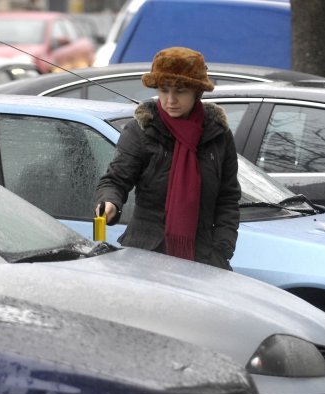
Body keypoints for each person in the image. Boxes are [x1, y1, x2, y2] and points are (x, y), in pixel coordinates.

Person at [92, 46, 240, 270]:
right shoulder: (141, 130)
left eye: (180, 91)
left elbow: (228, 198)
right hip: (145, 257)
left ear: (196, 92)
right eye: (163, 90)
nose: (170, 100)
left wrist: (222, 248)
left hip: (203, 259)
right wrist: (110, 201)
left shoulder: (218, 135)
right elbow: (115, 180)